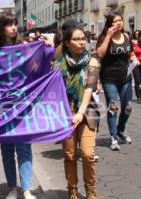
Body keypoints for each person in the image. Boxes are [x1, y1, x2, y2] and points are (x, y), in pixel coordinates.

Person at [0, 12, 36, 199]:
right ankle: (12, 187)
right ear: (1, 27)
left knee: (24, 145)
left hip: (21, 102)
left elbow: (34, 68)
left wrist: (39, 51)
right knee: (6, 148)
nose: (14, 28)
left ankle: (26, 188)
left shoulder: (24, 47)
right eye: (9, 25)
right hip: (1, 104)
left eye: (15, 24)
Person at [54, 25, 99, 199]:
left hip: (87, 112)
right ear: (67, 42)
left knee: (88, 154)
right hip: (66, 113)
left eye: (83, 38)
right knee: (70, 155)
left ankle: (91, 191)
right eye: (76, 39)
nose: (81, 42)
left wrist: (79, 113)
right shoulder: (58, 64)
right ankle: (72, 191)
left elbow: (89, 89)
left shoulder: (92, 61)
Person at [96, 12, 140, 150]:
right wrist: (108, 36)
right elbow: (100, 54)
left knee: (128, 108)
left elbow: (130, 53)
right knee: (113, 107)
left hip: (125, 77)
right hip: (109, 79)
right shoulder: (104, 37)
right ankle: (113, 137)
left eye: (120, 20)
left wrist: (134, 60)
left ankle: (121, 129)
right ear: (109, 24)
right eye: (115, 21)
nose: (119, 23)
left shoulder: (126, 36)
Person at [132, 31, 141, 103]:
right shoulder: (133, 43)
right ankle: (138, 97)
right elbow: (131, 54)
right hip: (135, 64)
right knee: (137, 80)